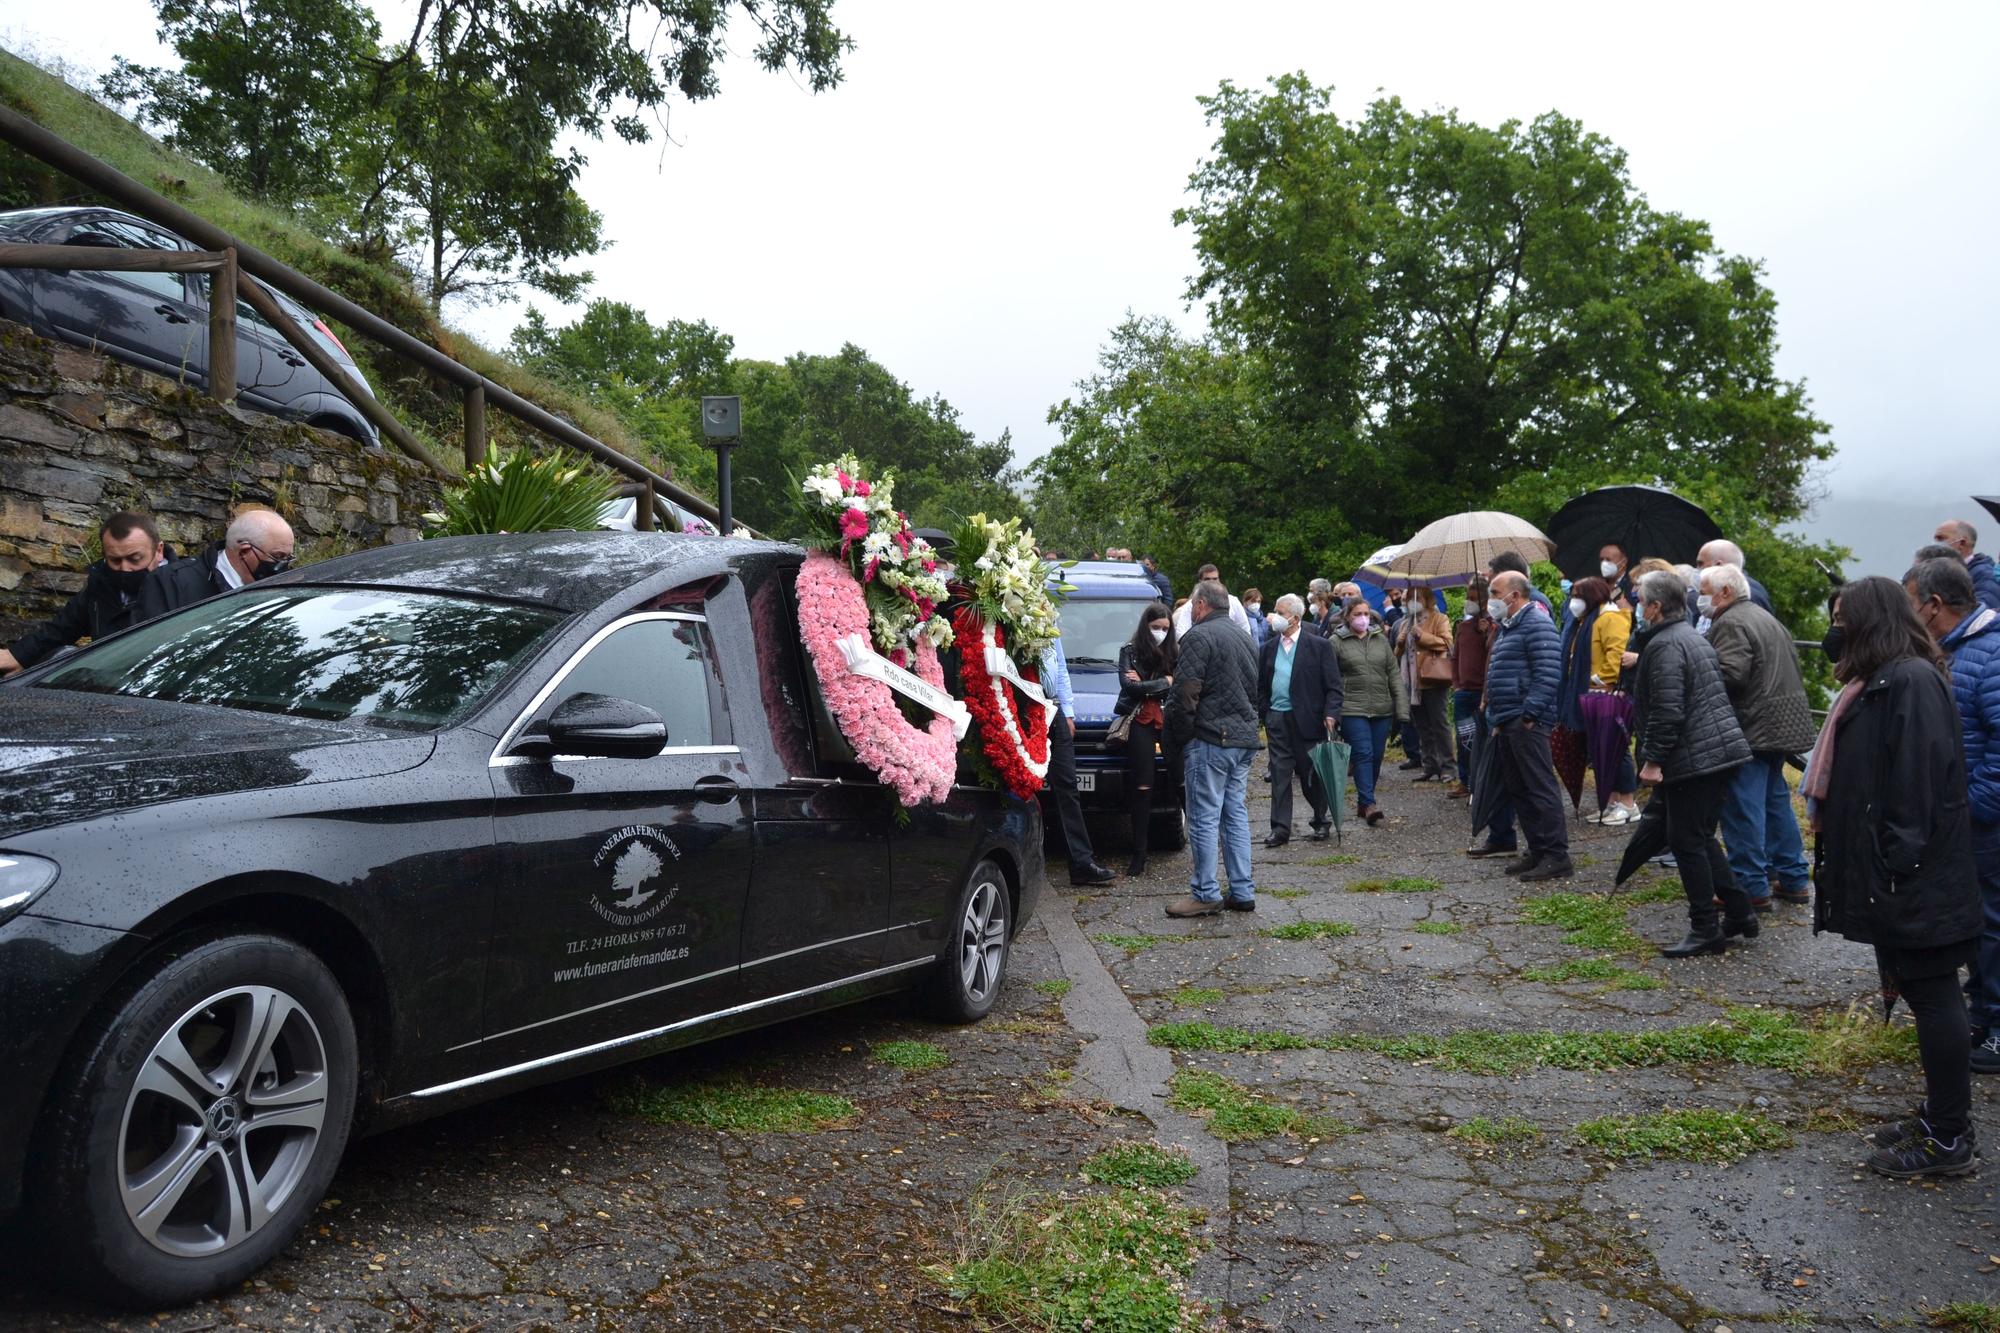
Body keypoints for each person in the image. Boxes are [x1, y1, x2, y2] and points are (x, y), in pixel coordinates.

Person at [1805, 576, 1982, 1177]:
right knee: (1922, 990)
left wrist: (1893, 866)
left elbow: (1918, 784)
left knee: (1933, 995)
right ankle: (1941, 1113)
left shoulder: (1908, 680)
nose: (1836, 630)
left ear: (1869, 621)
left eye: (1842, 618)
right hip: (1901, 874)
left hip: (1916, 876)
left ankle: (1948, 1136)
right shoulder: (1885, 679)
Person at [1904, 556, 2000, 1075]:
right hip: (1965, 815)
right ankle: (1985, 1016)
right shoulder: (1960, 650)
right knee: (1980, 922)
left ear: (1934, 605)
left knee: (1994, 923)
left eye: (1912, 604)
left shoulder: (1989, 654)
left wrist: (1971, 807)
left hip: (1984, 820)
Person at [1630, 569, 1757, 955]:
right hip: (1716, 752)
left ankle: (1705, 928)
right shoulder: (1688, 636)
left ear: (1654, 606)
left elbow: (1668, 710)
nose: (1637, 608)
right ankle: (1740, 912)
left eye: (1640, 601)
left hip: (1695, 758)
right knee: (1699, 837)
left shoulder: (1666, 645)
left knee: (1687, 842)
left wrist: (1653, 761)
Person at [1702, 562, 1817, 910]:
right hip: (1779, 724)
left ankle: (1750, 886)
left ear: (1725, 592)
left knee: (1742, 808)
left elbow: (1732, 675)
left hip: (1750, 728)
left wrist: (1699, 669)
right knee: (1775, 802)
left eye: (1705, 591)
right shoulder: (1765, 617)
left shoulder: (1732, 622)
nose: (1701, 598)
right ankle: (1794, 878)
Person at [1165, 580, 1262, 917]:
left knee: (1204, 817)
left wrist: (1180, 737)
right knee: (1234, 814)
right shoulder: (1245, 638)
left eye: (1193, 605)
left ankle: (1205, 892)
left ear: (1201, 604)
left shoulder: (1198, 637)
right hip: (1243, 739)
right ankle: (1242, 889)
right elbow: (1254, 690)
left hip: (1211, 740)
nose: (1190, 611)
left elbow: (1185, 694)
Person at [1, 509, 172, 674]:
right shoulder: (100, 586)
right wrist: (18, 656)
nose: (125, 568)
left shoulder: (182, 587)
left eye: (135, 559)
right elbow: (62, 628)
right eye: (115, 560)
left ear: (158, 550)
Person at [1484, 572, 1571, 881]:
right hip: (1508, 718)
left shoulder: (1536, 623)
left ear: (1515, 595)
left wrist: (1530, 714)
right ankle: (1537, 850)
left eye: (1495, 592)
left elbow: (1548, 672)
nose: (1490, 599)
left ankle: (1556, 855)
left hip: (1527, 720)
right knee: (1519, 788)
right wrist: (1498, 717)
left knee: (1539, 786)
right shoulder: (1509, 626)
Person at [1257, 593, 1342, 845]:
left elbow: (1334, 687)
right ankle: (1280, 828)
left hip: (1309, 720)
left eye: (1280, 613)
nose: (1275, 617)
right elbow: (1261, 684)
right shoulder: (1269, 648)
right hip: (1277, 719)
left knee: (1311, 775)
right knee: (1280, 776)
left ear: (1295, 618)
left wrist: (1330, 714)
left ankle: (1320, 820)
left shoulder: (1319, 646)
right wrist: (1266, 711)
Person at [1561, 576, 1639, 824]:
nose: (1573, 601)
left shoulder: (1609, 618)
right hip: (1588, 694)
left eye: (1577, 595)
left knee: (1615, 748)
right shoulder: (1584, 622)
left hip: (1603, 692)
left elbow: (1615, 655)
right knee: (1599, 750)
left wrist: (1599, 680)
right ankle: (1612, 800)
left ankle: (1628, 803)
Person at [1041, 635, 1117, 887]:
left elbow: (1059, 665)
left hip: (1055, 710)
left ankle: (1081, 863)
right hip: (1027, 705)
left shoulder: (1047, 617)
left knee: (1067, 786)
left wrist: (1068, 711)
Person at [1330, 595, 1406, 828]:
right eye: (1357, 615)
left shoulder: (1380, 640)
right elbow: (1330, 679)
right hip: (1352, 707)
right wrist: (1330, 711)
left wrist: (1401, 709)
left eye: (1365, 614)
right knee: (1362, 753)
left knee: (1376, 756)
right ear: (1347, 617)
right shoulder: (1336, 641)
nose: (1362, 619)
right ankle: (1369, 802)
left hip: (1381, 707)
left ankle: (1365, 802)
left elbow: (1393, 673)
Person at [1115, 601, 1179, 877]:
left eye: (1165, 628)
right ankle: (1139, 853)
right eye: (1155, 627)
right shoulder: (1129, 651)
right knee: (1142, 786)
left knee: (1180, 780)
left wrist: (1147, 686)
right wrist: (1164, 683)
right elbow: (1129, 687)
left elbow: (1179, 686)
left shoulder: (1175, 652)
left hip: (1168, 719)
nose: (1160, 632)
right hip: (1139, 719)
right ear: (1146, 626)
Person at [139, 508, 295, 618]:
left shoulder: (284, 591)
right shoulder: (169, 583)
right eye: (278, 556)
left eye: (288, 558)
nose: (283, 565)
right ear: (244, 552)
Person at [1394, 585, 1453, 782]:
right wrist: (1400, 643)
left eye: (1415, 597)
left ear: (1426, 599)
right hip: (1412, 683)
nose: (1411, 601)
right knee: (1422, 726)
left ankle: (1448, 767)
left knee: (1440, 725)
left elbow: (1446, 643)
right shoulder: (1405, 623)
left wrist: (1422, 636)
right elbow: (1397, 655)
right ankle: (1430, 765)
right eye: (1408, 597)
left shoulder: (1439, 618)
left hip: (1433, 679)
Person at [1933, 519, 2000, 612]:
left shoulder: (1983, 575)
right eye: (1935, 539)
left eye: (1941, 538)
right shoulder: (1944, 573)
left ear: (1962, 543)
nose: (1935, 544)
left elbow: (1982, 612)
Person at [1695, 539, 1775, 616]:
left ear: (1718, 565)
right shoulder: (1741, 591)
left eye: (1700, 563)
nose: (1697, 568)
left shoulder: (1749, 596)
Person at [1171, 564, 1253, 637]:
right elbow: (1181, 633)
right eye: (1207, 579)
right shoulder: (1191, 605)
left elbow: (1245, 628)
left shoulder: (1233, 601)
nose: (1212, 582)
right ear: (1200, 581)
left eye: (1215, 579)